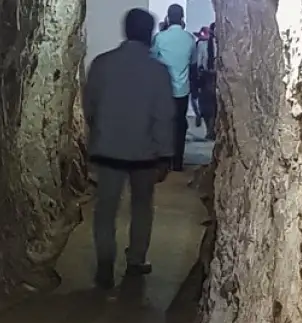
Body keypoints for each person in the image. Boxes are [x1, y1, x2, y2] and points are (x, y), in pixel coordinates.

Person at [83, 8, 175, 289]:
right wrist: (165, 154)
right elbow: (163, 116)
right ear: (149, 33)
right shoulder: (158, 72)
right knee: (142, 207)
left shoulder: (101, 64)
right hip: (144, 153)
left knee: (106, 209)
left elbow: (90, 106)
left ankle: (105, 262)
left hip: (108, 150)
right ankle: (136, 259)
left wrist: (98, 134)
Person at [151, 4, 195, 171]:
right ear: (182, 17)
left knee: (163, 125)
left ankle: (164, 160)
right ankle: (178, 162)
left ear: (168, 18)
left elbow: (152, 60)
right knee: (180, 125)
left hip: (163, 90)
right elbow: (193, 63)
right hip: (182, 90)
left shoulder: (160, 38)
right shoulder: (189, 39)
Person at [189, 26, 211, 126]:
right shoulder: (199, 44)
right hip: (200, 73)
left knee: (198, 97)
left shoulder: (202, 44)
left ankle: (200, 115)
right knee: (196, 96)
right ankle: (199, 114)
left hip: (202, 73)